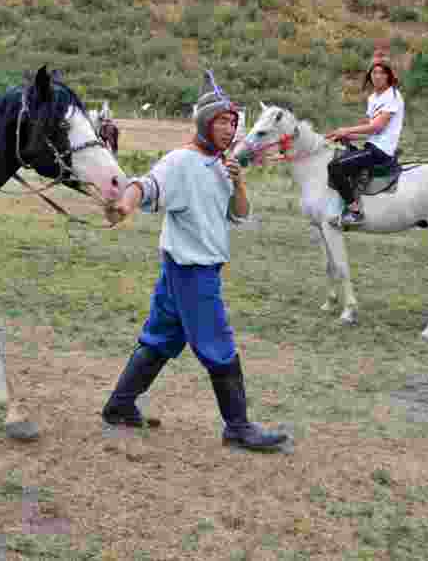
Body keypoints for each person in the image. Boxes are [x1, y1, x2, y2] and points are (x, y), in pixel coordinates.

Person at [101, 83, 289, 452]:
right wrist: (124, 206)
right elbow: (147, 185)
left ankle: (119, 405)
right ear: (205, 124)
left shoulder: (222, 163)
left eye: (233, 123)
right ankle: (237, 426)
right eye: (222, 122)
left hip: (184, 269)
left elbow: (240, 214)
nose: (230, 129)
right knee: (218, 345)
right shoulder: (181, 161)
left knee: (160, 339)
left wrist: (238, 181)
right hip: (192, 271)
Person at [325, 46, 406, 227]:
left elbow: (377, 127)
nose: (377, 76)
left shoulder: (392, 96)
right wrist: (346, 136)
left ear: (389, 76)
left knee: (335, 167)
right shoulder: (373, 98)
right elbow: (369, 129)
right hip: (371, 146)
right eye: (374, 72)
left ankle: (355, 212)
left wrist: (345, 130)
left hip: (382, 151)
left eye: (381, 73)